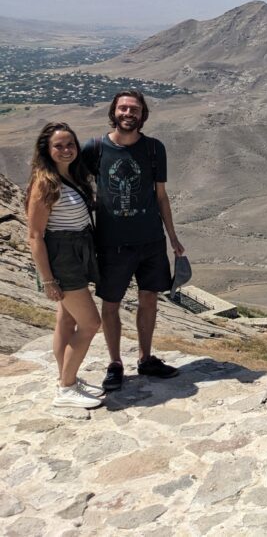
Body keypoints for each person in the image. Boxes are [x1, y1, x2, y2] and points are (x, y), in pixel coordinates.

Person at [81, 90, 184, 391]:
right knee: (110, 303)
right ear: (113, 112)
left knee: (149, 300)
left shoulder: (154, 149)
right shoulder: (96, 148)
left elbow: (161, 196)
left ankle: (146, 358)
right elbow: (75, 184)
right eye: (123, 108)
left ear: (142, 115)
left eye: (134, 109)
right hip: (112, 243)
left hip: (150, 240)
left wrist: (172, 237)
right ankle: (115, 363)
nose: (128, 113)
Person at [26, 122, 104, 409]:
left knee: (66, 320)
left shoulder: (72, 176)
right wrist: (48, 280)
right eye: (58, 145)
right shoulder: (44, 183)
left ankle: (66, 375)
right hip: (63, 257)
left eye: (70, 144)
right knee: (91, 323)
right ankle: (66, 387)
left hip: (80, 249)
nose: (66, 150)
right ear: (47, 149)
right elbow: (34, 235)